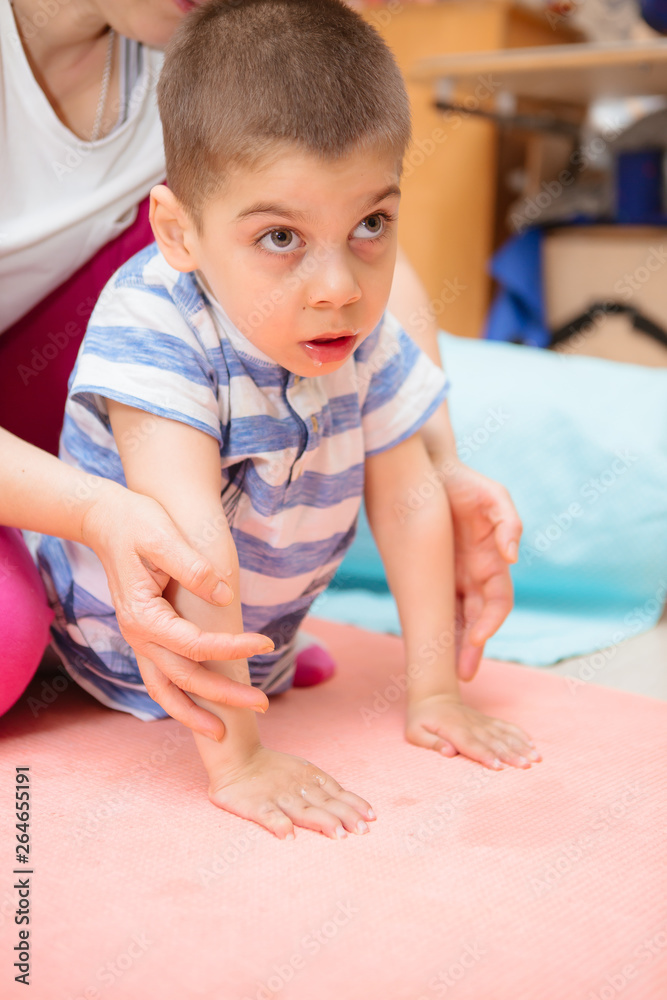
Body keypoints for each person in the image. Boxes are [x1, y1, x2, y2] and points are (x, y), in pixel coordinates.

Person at [37, 0, 541, 841]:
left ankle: (271, 657)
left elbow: (410, 498)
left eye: (370, 224)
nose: (337, 288)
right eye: (280, 238)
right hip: (124, 657)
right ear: (179, 233)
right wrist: (239, 761)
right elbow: (188, 541)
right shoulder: (155, 323)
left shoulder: (361, 328)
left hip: (254, 643)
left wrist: (435, 694)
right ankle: (246, 689)